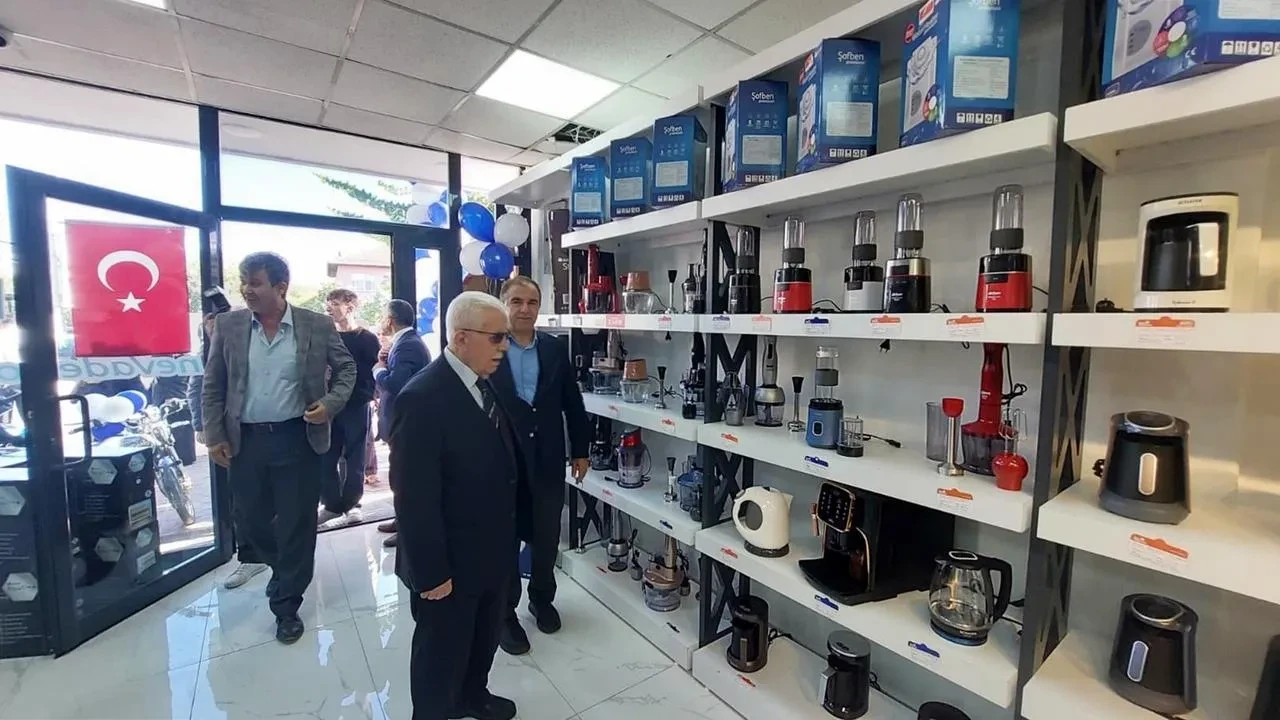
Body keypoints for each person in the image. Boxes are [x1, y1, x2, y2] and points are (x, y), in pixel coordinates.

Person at [202, 252, 356, 644]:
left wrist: (330, 403)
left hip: (298, 438)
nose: (246, 290)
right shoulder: (229, 325)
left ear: (281, 287)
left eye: (255, 282)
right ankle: (282, 568)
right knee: (250, 521)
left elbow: (347, 368)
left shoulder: (315, 324)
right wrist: (214, 433)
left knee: (297, 524)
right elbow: (213, 383)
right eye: (243, 282)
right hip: (246, 441)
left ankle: (286, 604)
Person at [392, 291, 519, 720]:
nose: (504, 347)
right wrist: (431, 572)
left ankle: (472, 695)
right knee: (440, 652)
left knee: (483, 636)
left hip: (492, 549)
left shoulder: (485, 381)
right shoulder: (421, 397)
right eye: (496, 337)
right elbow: (413, 497)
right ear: (461, 337)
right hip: (447, 561)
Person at [490, 277, 589, 655]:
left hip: (548, 458)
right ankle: (505, 615)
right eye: (516, 301)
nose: (525, 309)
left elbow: (572, 402)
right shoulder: (489, 345)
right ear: (503, 303)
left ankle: (542, 598)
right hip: (501, 462)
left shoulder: (554, 348)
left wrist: (580, 450)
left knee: (546, 536)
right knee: (505, 539)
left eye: (532, 302)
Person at [191, 312, 269, 590]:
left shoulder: (254, 343)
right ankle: (251, 556)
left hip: (267, 429)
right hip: (231, 435)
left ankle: (275, 551)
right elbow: (200, 389)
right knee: (243, 499)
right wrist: (204, 427)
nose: (214, 327)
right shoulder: (207, 353)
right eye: (210, 324)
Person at [319, 288, 381, 527]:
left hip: (357, 404)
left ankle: (353, 504)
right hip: (329, 404)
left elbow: (373, 371)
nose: (329, 308)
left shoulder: (367, 339)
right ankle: (331, 504)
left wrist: (370, 397)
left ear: (350, 307)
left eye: (334, 303)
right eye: (328, 303)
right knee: (326, 454)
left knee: (355, 457)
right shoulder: (326, 337)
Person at [373, 299, 430, 549]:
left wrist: (378, 370)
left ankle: (408, 528)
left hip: (405, 423)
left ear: (389, 320)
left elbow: (398, 385)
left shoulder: (408, 346)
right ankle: (401, 520)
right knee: (399, 476)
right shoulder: (404, 343)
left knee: (405, 479)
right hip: (399, 422)